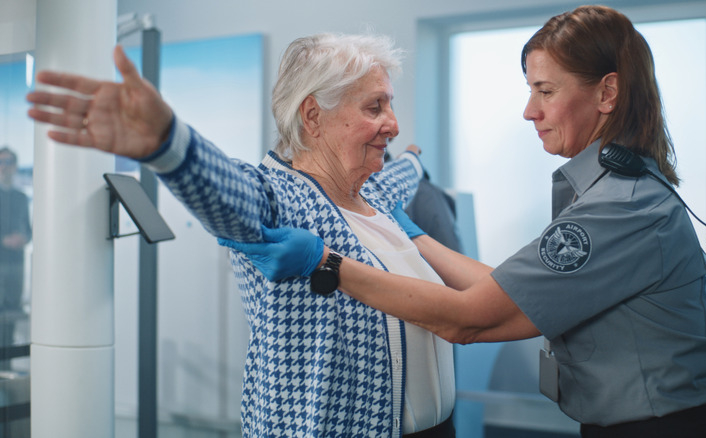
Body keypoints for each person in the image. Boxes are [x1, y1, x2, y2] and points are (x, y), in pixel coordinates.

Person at [221, 6, 706, 438]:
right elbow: (508, 288)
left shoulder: (619, 208)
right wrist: (415, 237)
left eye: (545, 91)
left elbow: (472, 319)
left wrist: (329, 263)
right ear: (312, 117)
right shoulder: (613, 189)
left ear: (607, 94)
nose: (530, 110)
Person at [27, 34, 456, 437]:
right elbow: (232, 194)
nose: (393, 124)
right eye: (374, 108)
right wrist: (167, 143)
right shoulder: (280, 197)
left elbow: (406, 172)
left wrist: (416, 159)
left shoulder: (374, 189)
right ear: (313, 116)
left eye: (390, 106)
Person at [0, 146, 31, 367]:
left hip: (16, 265)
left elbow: (28, 230)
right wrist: (3, 241)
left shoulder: (20, 197)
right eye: (2, 162)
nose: (5, 166)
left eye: (9, 162)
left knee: (11, 317)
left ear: (15, 166)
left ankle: (6, 370)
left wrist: (24, 238)